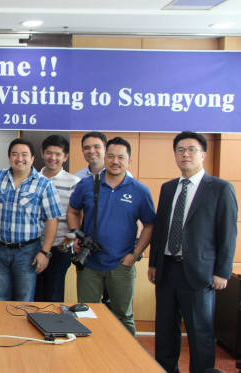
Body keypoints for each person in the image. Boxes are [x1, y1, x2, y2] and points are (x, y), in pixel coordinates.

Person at [149, 131, 237, 373]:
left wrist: (223, 272)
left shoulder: (220, 188)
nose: (185, 154)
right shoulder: (168, 189)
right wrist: (153, 264)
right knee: (165, 330)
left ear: (203, 155)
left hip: (200, 272)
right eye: (180, 150)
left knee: (200, 332)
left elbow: (228, 233)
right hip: (167, 269)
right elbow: (160, 230)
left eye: (191, 150)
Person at [67, 136, 155, 336]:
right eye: (111, 156)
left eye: (121, 157)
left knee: (124, 316)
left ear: (129, 161)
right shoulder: (87, 185)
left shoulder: (140, 191)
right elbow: (72, 211)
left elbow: (150, 225)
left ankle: (126, 362)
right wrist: (77, 237)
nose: (116, 161)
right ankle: (90, 359)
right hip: (89, 263)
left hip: (121, 264)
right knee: (85, 313)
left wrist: (136, 254)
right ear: (105, 158)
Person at [0, 138, 62, 301]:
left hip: (28, 252)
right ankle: (1, 328)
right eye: (14, 154)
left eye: (24, 154)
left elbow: (52, 220)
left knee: (24, 299)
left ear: (32, 158)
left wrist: (45, 253)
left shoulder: (44, 184)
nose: (19, 158)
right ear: (9, 157)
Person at [35, 135, 81, 302]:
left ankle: (53, 329)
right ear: (42, 153)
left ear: (65, 157)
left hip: (59, 249)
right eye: (49, 153)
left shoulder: (74, 182)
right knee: (33, 296)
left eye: (58, 154)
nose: (53, 158)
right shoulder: (32, 179)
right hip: (33, 246)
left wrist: (66, 244)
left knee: (53, 296)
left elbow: (79, 216)